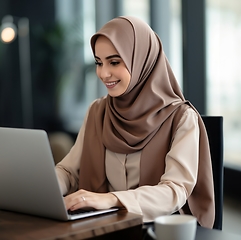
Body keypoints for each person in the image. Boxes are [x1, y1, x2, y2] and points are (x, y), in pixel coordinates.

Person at [55, 16, 215, 229]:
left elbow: (175, 190)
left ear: (141, 60)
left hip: (157, 229)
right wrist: (44, 187)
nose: (103, 73)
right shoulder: (97, 111)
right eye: (99, 63)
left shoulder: (181, 118)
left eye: (114, 62)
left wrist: (112, 199)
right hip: (101, 228)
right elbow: (69, 171)